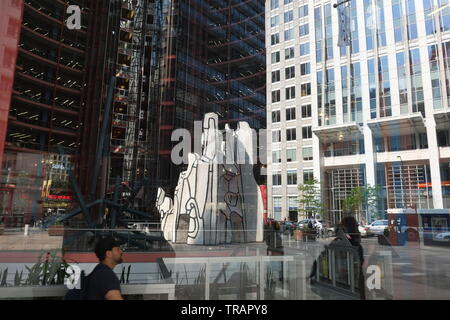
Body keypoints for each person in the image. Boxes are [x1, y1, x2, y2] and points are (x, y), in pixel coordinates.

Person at [86, 236, 125, 300]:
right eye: (117, 249)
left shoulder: (99, 271)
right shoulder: (106, 275)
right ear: (108, 254)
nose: (121, 252)